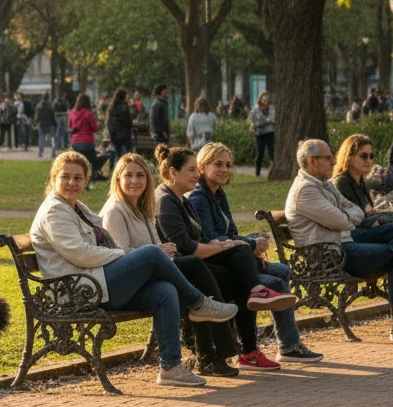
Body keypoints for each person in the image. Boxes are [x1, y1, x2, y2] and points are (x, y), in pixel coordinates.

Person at [30, 151, 238, 388]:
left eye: (78, 178)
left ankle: (170, 367)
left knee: (164, 291)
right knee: (151, 253)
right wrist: (126, 255)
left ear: (86, 181)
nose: (71, 183)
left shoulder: (76, 207)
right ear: (54, 178)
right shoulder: (54, 211)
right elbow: (81, 253)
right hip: (77, 292)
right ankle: (199, 303)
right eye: (65, 177)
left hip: (94, 283)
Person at [156, 144, 304, 371]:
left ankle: (250, 349)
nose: (196, 174)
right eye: (192, 169)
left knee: (261, 270)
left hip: (203, 262)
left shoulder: (188, 199)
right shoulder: (179, 199)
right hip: (189, 268)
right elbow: (187, 246)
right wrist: (233, 244)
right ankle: (226, 353)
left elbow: (220, 234)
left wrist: (235, 242)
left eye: (228, 165)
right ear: (174, 172)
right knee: (255, 274)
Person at [102, 153, 239, 376]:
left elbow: (157, 246)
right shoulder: (115, 211)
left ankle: (208, 353)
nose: (135, 181)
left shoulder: (144, 209)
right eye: (128, 175)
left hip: (152, 274)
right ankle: (211, 342)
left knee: (200, 277)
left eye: (140, 175)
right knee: (195, 268)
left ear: (148, 180)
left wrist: (163, 251)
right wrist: (157, 251)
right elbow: (117, 255)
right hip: (127, 282)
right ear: (117, 179)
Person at [188, 142, 323, 363]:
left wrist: (252, 241)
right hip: (217, 264)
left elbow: (230, 232)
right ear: (202, 167)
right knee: (277, 283)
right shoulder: (199, 197)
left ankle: (283, 341)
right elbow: (210, 238)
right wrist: (250, 245)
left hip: (234, 257)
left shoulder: (218, 194)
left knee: (282, 271)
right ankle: (286, 346)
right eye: (218, 164)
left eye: (228, 165)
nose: (224, 169)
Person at [285, 139, 393, 306]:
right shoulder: (306, 189)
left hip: (344, 240)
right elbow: (343, 221)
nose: (334, 161)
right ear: (312, 161)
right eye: (328, 158)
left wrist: (346, 215)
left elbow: (357, 212)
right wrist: (346, 215)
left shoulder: (325, 184)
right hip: (330, 254)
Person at [331, 134, 393, 240]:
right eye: (363, 156)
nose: (369, 161)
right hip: (351, 235)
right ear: (349, 156)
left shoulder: (360, 181)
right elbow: (352, 219)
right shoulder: (341, 182)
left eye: (371, 156)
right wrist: (369, 212)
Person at [68, 93, 106, 181]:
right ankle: (88, 179)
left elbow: (70, 125)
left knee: (78, 162)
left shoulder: (73, 113)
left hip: (75, 142)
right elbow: (95, 128)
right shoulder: (89, 113)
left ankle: (77, 178)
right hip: (87, 142)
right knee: (89, 162)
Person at [249, 91, 275, 177]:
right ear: (260, 100)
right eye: (264, 99)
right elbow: (251, 119)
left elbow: (271, 119)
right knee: (260, 153)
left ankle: (273, 169)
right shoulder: (256, 109)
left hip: (269, 132)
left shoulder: (271, 108)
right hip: (259, 133)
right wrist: (253, 125)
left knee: (272, 151)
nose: (266, 101)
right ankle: (257, 172)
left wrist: (263, 122)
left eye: (267, 99)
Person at [106, 89, 133, 163]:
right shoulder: (124, 107)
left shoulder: (111, 107)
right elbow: (128, 122)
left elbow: (109, 123)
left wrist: (111, 135)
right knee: (126, 157)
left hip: (114, 136)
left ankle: (117, 172)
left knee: (118, 155)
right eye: (127, 96)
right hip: (124, 136)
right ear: (123, 96)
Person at [35, 93, 55, 159]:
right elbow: (53, 115)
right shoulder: (51, 105)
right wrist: (54, 123)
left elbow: (37, 116)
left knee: (41, 138)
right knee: (52, 138)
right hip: (50, 124)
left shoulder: (39, 105)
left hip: (42, 124)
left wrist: (37, 121)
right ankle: (53, 152)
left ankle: (40, 152)